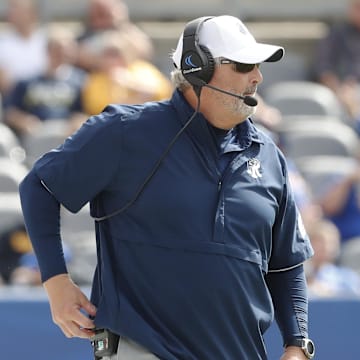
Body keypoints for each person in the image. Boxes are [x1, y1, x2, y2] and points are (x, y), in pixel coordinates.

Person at [19, 15, 315, 360]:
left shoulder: (269, 157)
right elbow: (40, 186)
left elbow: (286, 264)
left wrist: (298, 344)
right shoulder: (124, 131)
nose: (257, 77)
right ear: (197, 68)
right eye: (243, 65)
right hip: (140, 349)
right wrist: (56, 282)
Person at [4, 29, 88, 140]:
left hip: (68, 137)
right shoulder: (27, 81)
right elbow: (10, 111)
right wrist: (24, 121)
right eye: (57, 50)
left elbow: (87, 112)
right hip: (35, 137)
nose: (62, 54)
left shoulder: (81, 80)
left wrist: (78, 122)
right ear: (48, 50)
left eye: (66, 50)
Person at [312, 0, 360, 131]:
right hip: (342, 93)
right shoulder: (337, 35)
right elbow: (324, 69)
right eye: (357, 7)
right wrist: (340, 91)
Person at [0, 0, 47, 103]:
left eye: (18, 10)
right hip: (14, 102)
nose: (11, 13)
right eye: (11, 9)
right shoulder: (2, 43)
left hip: (44, 98)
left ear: (32, 13)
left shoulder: (45, 40)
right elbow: (4, 84)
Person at [305, 218, 360, 298]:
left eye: (329, 243)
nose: (323, 248)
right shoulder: (299, 277)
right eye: (317, 243)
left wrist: (331, 292)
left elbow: (353, 303)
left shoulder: (347, 278)